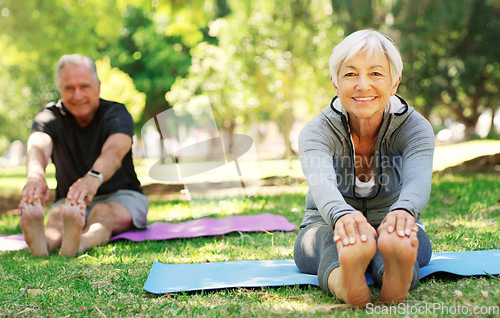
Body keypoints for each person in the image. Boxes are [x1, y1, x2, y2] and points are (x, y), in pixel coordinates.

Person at [293, 30, 434, 307]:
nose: (363, 85)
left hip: (392, 221)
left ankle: (396, 272)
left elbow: (418, 179)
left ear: (395, 82)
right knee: (328, 244)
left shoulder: (415, 127)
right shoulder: (316, 132)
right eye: (350, 74)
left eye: (376, 74)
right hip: (327, 224)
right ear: (335, 83)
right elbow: (321, 183)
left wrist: (404, 212)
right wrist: (342, 217)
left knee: (409, 241)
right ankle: (345, 278)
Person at [18, 54, 148, 257]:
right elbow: (38, 146)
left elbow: (114, 151)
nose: (77, 95)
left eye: (84, 86)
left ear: (98, 86)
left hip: (121, 196)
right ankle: (43, 243)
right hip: (70, 202)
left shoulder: (116, 113)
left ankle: (76, 244)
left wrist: (93, 178)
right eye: (69, 88)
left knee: (102, 214)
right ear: (60, 90)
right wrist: (36, 176)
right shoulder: (49, 117)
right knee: (57, 220)